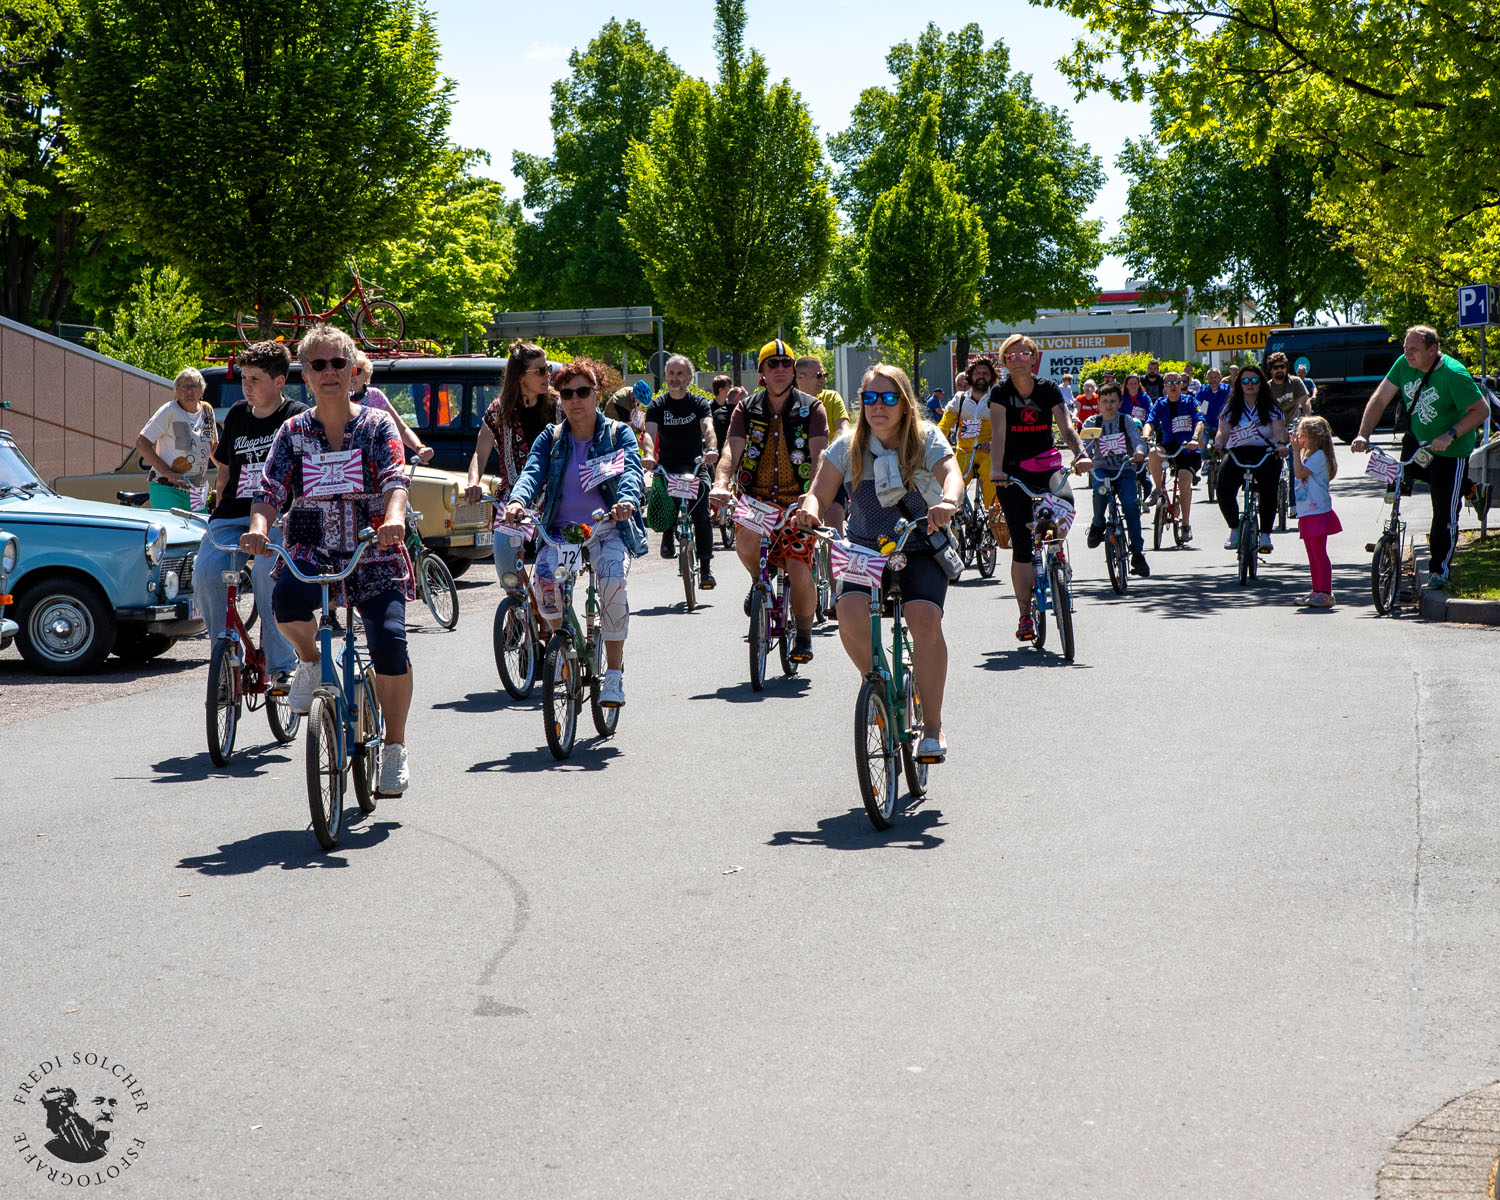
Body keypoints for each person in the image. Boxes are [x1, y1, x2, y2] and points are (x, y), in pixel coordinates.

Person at [242, 324, 415, 795]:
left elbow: (395, 481)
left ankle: (395, 748)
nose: (329, 372)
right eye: (318, 365)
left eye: (338, 363)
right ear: (305, 374)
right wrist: (259, 528)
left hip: (372, 547)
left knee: (389, 642)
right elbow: (270, 490)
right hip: (311, 547)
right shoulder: (293, 431)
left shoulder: (377, 425)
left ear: (354, 369)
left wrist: (393, 521)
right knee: (284, 605)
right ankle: (311, 661)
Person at [794, 364, 960, 762]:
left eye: (889, 398)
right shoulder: (848, 445)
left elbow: (951, 473)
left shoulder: (925, 439)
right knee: (847, 612)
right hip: (865, 551)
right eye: (870, 398)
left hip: (919, 546)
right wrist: (810, 510)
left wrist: (948, 502)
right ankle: (880, 687)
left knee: (924, 620)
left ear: (904, 404)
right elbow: (818, 491)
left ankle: (933, 728)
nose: (878, 406)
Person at [504, 358, 645, 706]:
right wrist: (518, 501)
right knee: (544, 585)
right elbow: (531, 473)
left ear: (597, 394)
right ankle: (564, 648)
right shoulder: (550, 439)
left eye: (583, 391)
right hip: (562, 531)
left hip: (607, 527)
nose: (575, 400)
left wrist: (626, 500)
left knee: (612, 580)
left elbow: (631, 470)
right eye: (567, 394)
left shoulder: (617, 433)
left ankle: (613, 676)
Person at [710, 339, 829, 663]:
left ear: (793, 370)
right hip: (756, 498)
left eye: (785, 364)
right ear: (762, 371)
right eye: (772, 364)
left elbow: (820, 457)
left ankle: (803, 634)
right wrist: (721, 483)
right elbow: (731, 450)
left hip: (797, 503)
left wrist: (814, 496)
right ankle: (758, 581)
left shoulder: (811, 408)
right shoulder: (747, 408)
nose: (780, 369)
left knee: (799, 569)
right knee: (746, 542)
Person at [196, 341, 305, 693]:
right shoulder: (239, 414)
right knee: (206, 572)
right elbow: (226, 469)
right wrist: (215, 504)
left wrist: (293, 515)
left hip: (278, 518)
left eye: (255, 379)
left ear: (278, 381)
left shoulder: (297, 417)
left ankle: (282, 665)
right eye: (244, 378)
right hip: (232, 516)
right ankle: (225, 658)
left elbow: (306, 476)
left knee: (266, 573)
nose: (247, 386)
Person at [1350, 324, 1489, 587]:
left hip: (1450, 450)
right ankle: (1390, 538)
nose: (1407, 354)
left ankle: (1439, 572)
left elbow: (1480, 410)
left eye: (1414, 349)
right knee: (1397, 478)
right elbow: (1379, 399)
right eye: (1405, 348)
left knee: (1443, 513)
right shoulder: (1403, 364)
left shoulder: (1453, 373)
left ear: (1432, 350)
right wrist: (1363, 435)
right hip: (1418, 441)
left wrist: (1450, 434)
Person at [987, 333, 1091, 641]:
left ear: (1035, 358)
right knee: (1021, 543)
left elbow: (1067, 426)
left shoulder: (1048, 389)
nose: (1017, 360)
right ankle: (1024, 615)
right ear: (1005, 361)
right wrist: (996, 470)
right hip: (1011, 474)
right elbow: (999, 434)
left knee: (1064, 504)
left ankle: (1057, 559)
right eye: (1010, 356)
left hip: (1046, 467)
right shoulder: (1000, 391)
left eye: (1023, 355)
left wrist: (1081, 454)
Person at [465, 340, 558, 590]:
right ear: (520, 376)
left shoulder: (558, 406)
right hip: (513, 499)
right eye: (540, 371)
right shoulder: (499, 410)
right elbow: (480, 453)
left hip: (554, 496)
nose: (547, 375)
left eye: (547, 368)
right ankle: (518, 609)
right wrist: (473, 483)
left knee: (551, 572)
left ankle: (551, 615)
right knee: (507, 562)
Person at [642, 354, 718, 588]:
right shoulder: (658, 404)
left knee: (702, 517)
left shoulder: (698, 403)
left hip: (695, 465)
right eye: (671, 373)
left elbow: (708, 428)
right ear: (665, 376)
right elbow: (648, 433)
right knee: (667, 505)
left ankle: (705, 569)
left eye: (680, 374)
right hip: (668, 467)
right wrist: (647, 454)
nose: (675, 378)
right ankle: (667, 535)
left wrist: (712, 448)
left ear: (689, 378)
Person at [1213, 362, 1288, 554]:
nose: (1250, 384)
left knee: (1269, 489)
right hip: (1238, 452)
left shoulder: (1271, 406)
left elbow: (1279, 428)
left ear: (1261, 383)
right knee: (1223, 487)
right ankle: (1235, 530)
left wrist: (1281, 445)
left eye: (1254, 380)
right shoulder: (1231, 406)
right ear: (1239, 384)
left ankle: (1265, 535)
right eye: (1245, 380)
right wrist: (1219, 443)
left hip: (1265, 453)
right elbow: (1223, 429)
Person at [1082, 382, 1150, 576]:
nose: (1109, 405)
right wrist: (1083, 459)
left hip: (1124, 468)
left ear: (1120, 403)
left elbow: (1137, 441)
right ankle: (1097, 524)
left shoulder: (1126, 421)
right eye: (1105, 401)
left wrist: (1138, 451)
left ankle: (1137, 553)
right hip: (1101, 469)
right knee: (1100, 491)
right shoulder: (1092, 423)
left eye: (1113, 401)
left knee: (1130, 505)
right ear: (1099, 404)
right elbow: (1084, 446)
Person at [136, 367, 217, 509]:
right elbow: (142, 443)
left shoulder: (207, 411)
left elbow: (214, 446)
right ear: (176, 391)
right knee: (174, 529)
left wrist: (226, 474)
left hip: (197, 489)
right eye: (183, 387)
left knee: (199, 530)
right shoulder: (169, 411)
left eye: (193, 386)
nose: (188, 391)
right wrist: (167, 472)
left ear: (202, 390)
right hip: (167, 487)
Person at [1143, 371, 1204, 542]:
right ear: (1164, 386)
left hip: (1188, 447)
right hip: (1170, 443)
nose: (1172, 386)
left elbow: (1199, 421)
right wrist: (1146, 434)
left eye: (1176, 382)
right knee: (1154, 453)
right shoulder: (1160, 404)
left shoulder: (1190, 401)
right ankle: (1158, 490)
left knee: (1184, 481)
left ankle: (1185, 524)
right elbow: (1150, 421)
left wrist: (1194, 438)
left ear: (1181, 384)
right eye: (1169, 383)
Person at [797, 355, 852, 532]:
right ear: (800, 378)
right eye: (818, 375)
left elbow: (844, 428)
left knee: (834, 521)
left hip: (828, 468)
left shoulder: (831, 397)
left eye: (824, 374)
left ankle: (834, 557)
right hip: (796, 470)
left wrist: (844, 446)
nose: (823, 379)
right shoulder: (788, 401)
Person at [1291, 415, 1341, 607]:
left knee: (1319, 552)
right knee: (1311, 552)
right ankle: (1317, 589)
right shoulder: (1311, 455)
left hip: (1317, 510)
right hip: (1308, 511)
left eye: (1302, 435)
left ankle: (1326, 593)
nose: (1299, 439)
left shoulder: (1319, 456)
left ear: (1314, 437)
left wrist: (1295, 452)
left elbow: (1299, 473)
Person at [938, 354, 998, 509]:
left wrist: (994, 443)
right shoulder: (960, 399)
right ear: (970, 376)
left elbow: (1008, 426)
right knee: (949, 481)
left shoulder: (998, 398)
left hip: (989, 452)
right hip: (964, 451)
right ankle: (951, 523)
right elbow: (944, 426)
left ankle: (994, 519)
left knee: (992, 477)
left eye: (985, 374)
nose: (981, 377)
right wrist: (934, 443)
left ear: (991, 377)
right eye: (978, 373)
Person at [351, 350, 432, 463]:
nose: (351, 376)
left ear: (366, 374)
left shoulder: (375, 396)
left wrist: (419, 448)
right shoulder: (334, 398)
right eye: (348, 371)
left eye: (356, 371)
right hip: (348, 466)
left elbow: (401, 428)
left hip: (377, 462)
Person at [1266, 351, 1310, 422]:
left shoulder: (1295, 381)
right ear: (1271, 370)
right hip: (1276, 427)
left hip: (1294, 427)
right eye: (1275, 367)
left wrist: (1307, 419)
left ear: (1286, 368)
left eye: (1282, 367)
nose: (1279, 370)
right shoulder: (1267, 387)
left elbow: (1305, 401)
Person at [709, 374, 736, 452]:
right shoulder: (709, 407)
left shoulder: (730, 406)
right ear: (721, 389)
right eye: (730, 386)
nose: (732, 388)